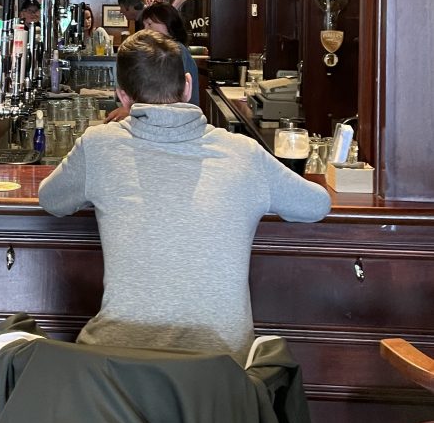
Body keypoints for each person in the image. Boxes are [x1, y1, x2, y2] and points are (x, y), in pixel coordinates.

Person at [39, 30, 331, 362]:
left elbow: (51, 200)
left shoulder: (98, 145)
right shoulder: (244, 154)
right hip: (220, 372)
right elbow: (317, 204)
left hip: (117, 371)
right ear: (188, 86)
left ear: (122, 97)